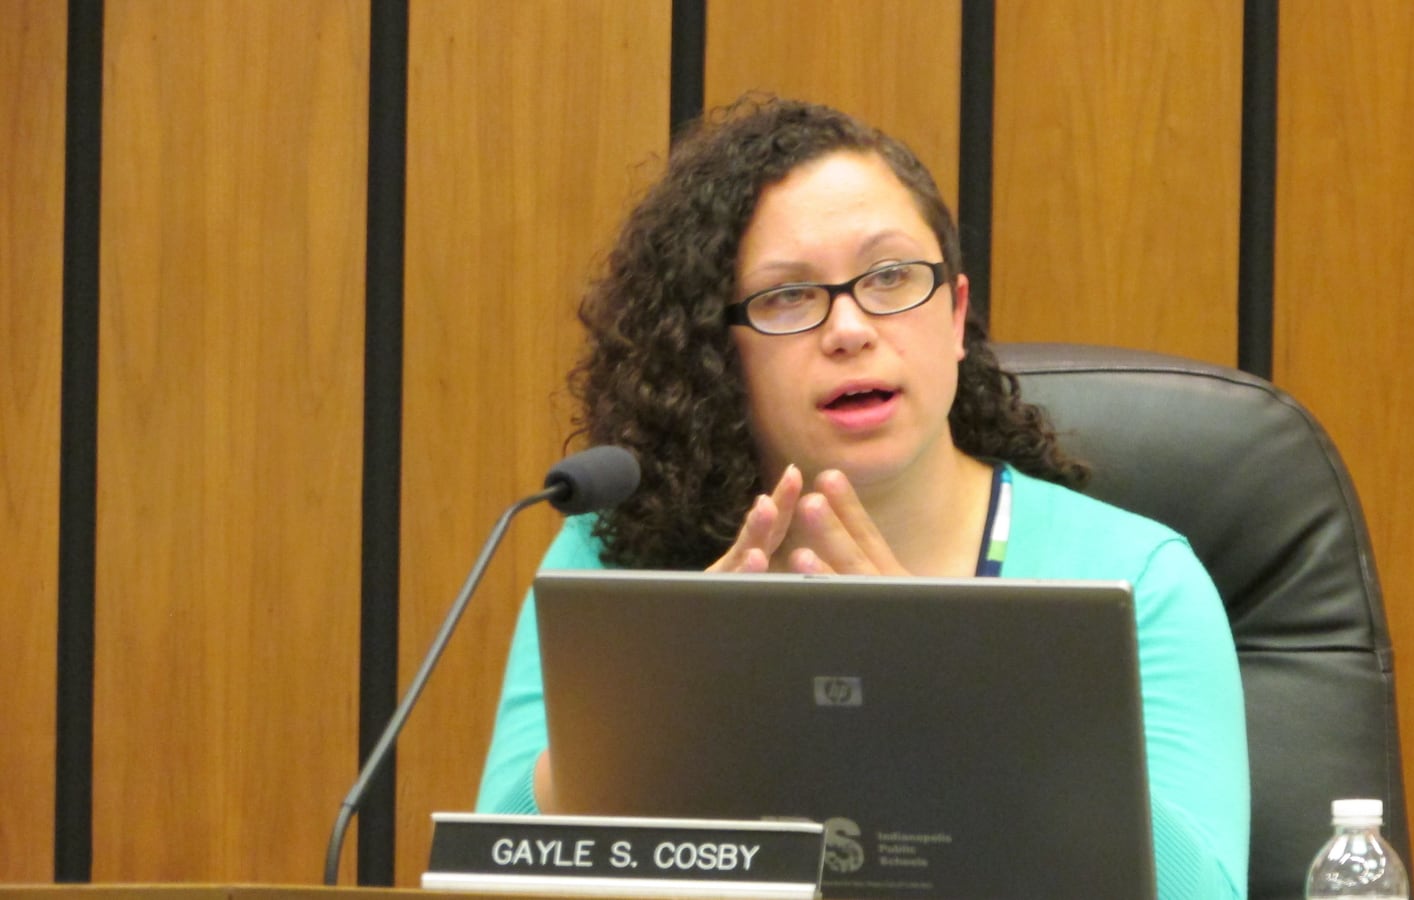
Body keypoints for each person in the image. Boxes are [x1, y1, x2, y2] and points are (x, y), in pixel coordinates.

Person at [477, 95, 1250, 898]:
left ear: (955, 316)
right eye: (786, 296)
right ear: (720, 355)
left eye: (888, 277)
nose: (849, 327)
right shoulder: (617, 557)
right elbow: (493, 869)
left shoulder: (1135, 577)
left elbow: (1207, 890)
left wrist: (935, 689)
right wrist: (670, 698)